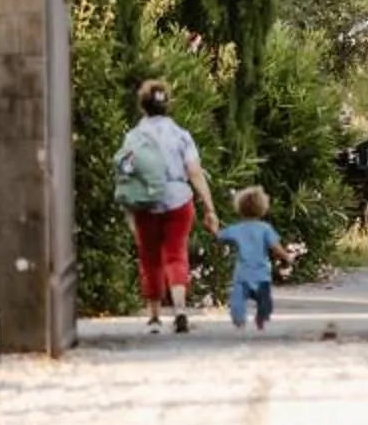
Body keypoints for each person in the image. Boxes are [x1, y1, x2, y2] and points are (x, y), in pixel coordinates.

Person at [114, 79, 216, 333]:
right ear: (167, 104)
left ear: (142, 106)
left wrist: (129, 206)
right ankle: (180, 309)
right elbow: (194, 172)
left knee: (149, 257)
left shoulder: (134, 137)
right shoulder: (181, 135)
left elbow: (126, 171)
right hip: (178, 200)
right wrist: (209, 207)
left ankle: (154, 317)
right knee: (176, 253)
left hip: (146, 202)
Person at [214, 187, 283, 332]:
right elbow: (275, 247)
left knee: (238, 300)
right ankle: (261, 317)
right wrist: (286, 257)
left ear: (239, 208)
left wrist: (212, 227)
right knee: (265, 301)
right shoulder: (265, 228)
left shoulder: (237, 229)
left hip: (242, 274)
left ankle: (239, 320)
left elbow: (219, 236)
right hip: (261, 274)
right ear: (262, 208)